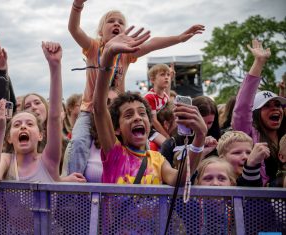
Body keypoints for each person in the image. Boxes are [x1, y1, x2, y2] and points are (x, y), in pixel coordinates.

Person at [67, 0, 204, 175]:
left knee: (141, 143)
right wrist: (77, 5)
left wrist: (179, 38)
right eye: (111, 21)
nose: (116, 23)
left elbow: (152, 43)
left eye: (121, 22)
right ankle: (72, 188)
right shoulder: (93, 47)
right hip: (90, 109)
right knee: (78, 142)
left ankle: (144, 177)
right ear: (100, 32)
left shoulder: (127, 53)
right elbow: (74, 29)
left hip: (117, 112)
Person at [92, 28, 207, 185]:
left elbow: (180, 179)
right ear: (117, 129)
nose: (137, 117)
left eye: (142, 113)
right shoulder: (115, 152)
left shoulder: (158, 160)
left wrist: (200, 137)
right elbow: (99, 108)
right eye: (128, 115)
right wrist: (108, 55)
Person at [0, 41, 85, 184]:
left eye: (30, 123)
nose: (23, 127)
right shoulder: (6, 160)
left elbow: (54, 117)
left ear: (40, 135)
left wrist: (55, 66)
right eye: (17, 124)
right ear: (9, 138)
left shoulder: (48, 160)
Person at [232, 39, 286, 186]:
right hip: (260, 204)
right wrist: (259, 63)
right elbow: (242, 108)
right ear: (255, 113)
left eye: (278, 105)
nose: (275, 108)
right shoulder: (249, 136)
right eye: (267, 106)